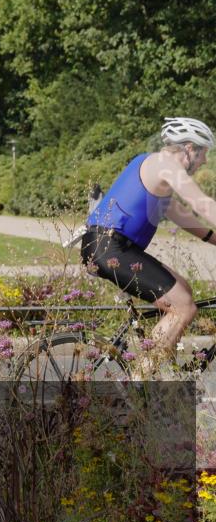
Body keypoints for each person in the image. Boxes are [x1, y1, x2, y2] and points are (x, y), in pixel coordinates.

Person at [82, 117, 216, 378]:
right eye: (204, 154)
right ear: (189, 148)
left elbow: (184, 217)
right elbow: (203, 205)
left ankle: (161, 368)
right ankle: (140, 382)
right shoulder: (165, 165)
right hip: (111, 248)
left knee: (184, 292)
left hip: (113, 247)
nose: (205, 161)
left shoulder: (156, 172)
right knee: (183, 306)